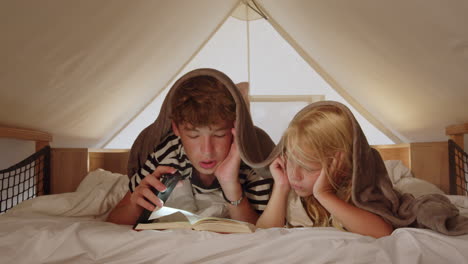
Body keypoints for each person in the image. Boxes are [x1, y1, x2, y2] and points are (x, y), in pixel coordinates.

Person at [106, 70, 274, 226]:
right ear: (176, 129)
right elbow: (113, 220)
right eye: (194, 136)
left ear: (235, 130)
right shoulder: (166, 153)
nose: (207, 150)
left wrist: (230, 184)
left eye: (219, 135)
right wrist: (135, 206)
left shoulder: (254, 160)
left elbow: (261, 230)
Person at [256, 102, 393, 238]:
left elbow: (383, 233)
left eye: (308, 169)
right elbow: (262, 233)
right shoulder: (290, 190)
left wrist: (324, 194)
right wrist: (280, 187)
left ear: (340, 164)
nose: (294, 176)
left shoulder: (358, 191)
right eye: (290, 161)